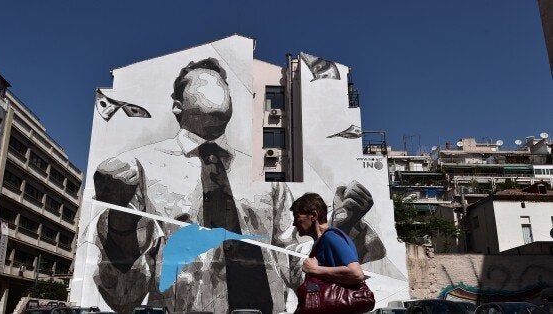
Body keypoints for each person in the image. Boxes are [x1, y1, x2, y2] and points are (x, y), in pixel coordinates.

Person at [92, 58, 376, 314]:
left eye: (222, 82)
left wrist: (337, 229)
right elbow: (124, 297)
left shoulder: (263, 175)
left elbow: (295, 266)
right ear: (177, 106)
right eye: (203, 79)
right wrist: (119, 219)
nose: (216, 86)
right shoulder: (139, 167)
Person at [290, 193, 364, 286]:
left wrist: (314, 269)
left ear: (313, 215)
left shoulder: (330, 237)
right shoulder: (324, 240)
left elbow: (356, 273)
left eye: (297, 217)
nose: (294, 223)